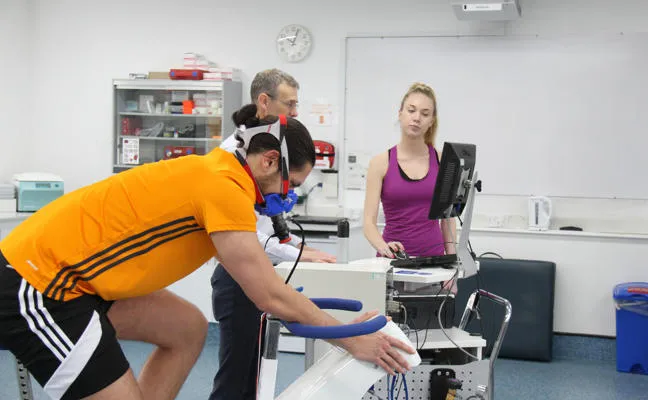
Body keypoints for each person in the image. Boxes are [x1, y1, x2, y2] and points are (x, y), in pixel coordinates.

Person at [0, 104, 413, 400]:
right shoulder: (224, 187)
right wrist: (350, 338)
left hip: (87, 282)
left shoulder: (222, 173)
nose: (288, 197)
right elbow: (268, 294)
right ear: (270, 161)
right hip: (41, 284)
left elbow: (260, 275)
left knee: (187, 329)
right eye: (291, 184)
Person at [209, 68, 336, 400]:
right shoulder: (233, 158)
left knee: (254, 379)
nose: (295, 113)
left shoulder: (269, 151)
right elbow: (246, 236)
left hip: (260, 273)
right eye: (289, 104)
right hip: (238, 276)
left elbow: (271, 224)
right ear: (264, 103)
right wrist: (298, 253)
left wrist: (295, 246)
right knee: (235, 380)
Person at [363, 82, 456, 292]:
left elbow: (448, 222)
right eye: (411, 110)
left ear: (431, 121)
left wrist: (452, 270)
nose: (416, 118)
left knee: (431, 324)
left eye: (425, 113)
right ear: (400, 113)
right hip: (391, 264)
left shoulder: (443, 162)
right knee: (387, 324)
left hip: (434, 266)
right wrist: (383, 247)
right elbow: (368, 222)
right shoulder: (380, 162)